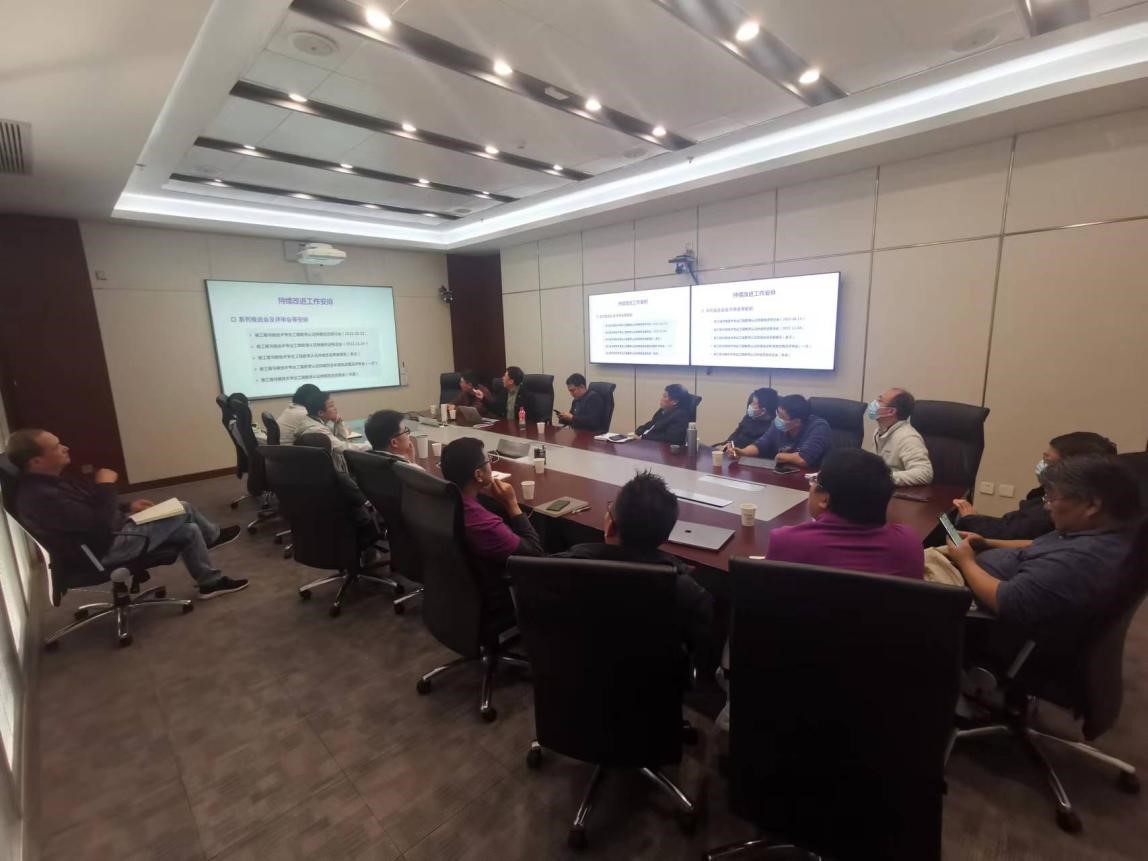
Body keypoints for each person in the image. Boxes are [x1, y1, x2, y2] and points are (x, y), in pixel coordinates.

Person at [926, 456, 1143, 646]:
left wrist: (966, 561)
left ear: (1092, 505)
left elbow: (1005, 601)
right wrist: (987, 542)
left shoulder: (1078, 561)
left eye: (1052, 498)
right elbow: (1037, 544)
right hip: (967, 566)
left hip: (965, 594)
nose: (1047, 506)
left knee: (904, 576)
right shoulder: (1093, 529)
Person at [5, 429, 248, 599]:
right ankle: (213, 536)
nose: (65, 448)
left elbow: (90, 508)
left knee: (189, 530)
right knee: (182, 508)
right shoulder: (42, 497)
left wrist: (127, 506)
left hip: (104, 538)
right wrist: (106, 486)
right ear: (36, 461)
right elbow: (98, 522)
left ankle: (210, 583)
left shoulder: (49, 482)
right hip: (102, 550)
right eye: (57, 447)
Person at [554, 470, 714, 651]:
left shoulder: (565, 566)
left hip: (578, 665)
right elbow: (702, 652)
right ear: (665, 537)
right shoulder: (687, 592)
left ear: (610, 526)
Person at [766, 448, 925, 579]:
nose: (811, 486)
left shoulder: (786, 541)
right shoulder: (908, 543)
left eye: (815, 480)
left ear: (825, 499)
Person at [953, 431, 1117, 540]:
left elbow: (1013, 533)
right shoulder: (1049, 496)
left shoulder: (1058, 509)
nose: (1047, 504)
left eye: (1047, 461)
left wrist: (971, 520)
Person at [440, 437, 543, 563]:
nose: (491, 464)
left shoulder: (444, 498)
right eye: (488, 460)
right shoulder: (480, 522)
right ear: (478, 475)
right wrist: (512, 504)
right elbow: (534, 552)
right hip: (509, 572)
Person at [726, 393, 832, 470]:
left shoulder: (818, 427)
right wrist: (743, 452)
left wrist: (782, 456)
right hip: (784, 473)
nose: (778, 418)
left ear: (797, 422)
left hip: (809, 478)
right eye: (778, 413)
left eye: (782, 416)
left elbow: (803, 459)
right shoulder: (778, 425)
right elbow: (760, 445)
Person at [867, 388, 933, 486]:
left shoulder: (908, 437)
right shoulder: (880, 431)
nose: (874, 403)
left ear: (891, 411)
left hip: (899, 492)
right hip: (882, 489)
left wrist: (884, 478)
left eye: (880, 400)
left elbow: (925, 473)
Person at [295, 390, 369, 470]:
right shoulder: (317, 430)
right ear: (320, 413)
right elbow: (342, 448)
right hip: (329, 471)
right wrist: (370, 445)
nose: (335, 408)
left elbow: (344, 437)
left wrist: (338, 423)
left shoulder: (317, 421)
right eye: (331, 406)